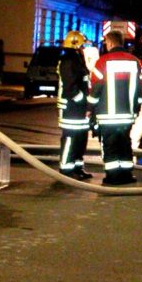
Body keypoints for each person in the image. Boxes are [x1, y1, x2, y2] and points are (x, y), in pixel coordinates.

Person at [87, 30, 142, 185]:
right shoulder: (135, 62)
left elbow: (95, 89)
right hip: (127, 115)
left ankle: (113, 177)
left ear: (110, 43)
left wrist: (89, 108)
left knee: (110, 145)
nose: (105, 45)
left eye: (106, 42)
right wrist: (136, 108)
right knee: (125, 143)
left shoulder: (102, 62)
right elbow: (140, 89)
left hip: (107, 115)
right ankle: (126, 175)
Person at [56, 30, 92, 180]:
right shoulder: (68, 62)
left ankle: (77, 167)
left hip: (79, 109)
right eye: (83, 45)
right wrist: (84, 101)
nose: (85, 48)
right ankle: (66, 169)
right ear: (75, 45)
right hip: (71, 109)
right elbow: (71, 88)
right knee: (70, 139)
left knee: (80, 139)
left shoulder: (77, 60)